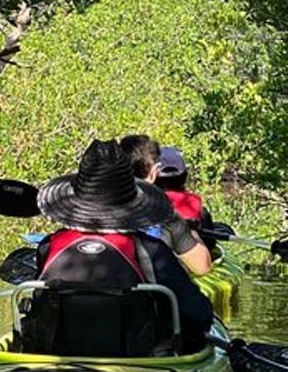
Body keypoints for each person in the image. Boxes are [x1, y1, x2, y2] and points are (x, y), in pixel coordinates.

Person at [29, 139, 214, 353]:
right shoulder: (152, 250)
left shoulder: (48, 246)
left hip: (55, 360)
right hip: (135, 362)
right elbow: (199, 315)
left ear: (77, 200)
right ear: (131, 203)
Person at [119, 134, 213, 275]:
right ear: (154, 172)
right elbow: (203, 267)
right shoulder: (166, 214)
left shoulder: (91, 206)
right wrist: (192, 233)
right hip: (151, 289)